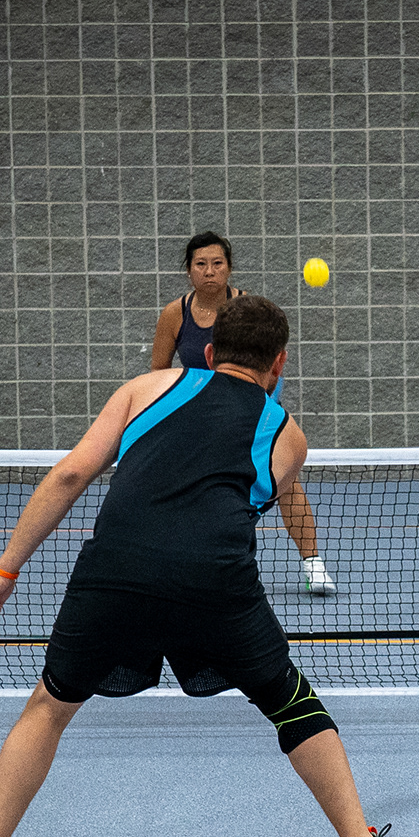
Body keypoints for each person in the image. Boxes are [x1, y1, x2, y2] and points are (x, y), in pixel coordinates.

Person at [0, 294, 416, 837]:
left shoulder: (144, 389)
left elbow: (69, 476)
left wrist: (4, 572)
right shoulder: (288, 435)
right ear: (280, 363)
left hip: (114, 574)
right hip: (215, 583)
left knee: (49, 708)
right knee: (292, 705)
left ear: (211, 351)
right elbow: (241, 505)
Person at [150, 230, 335, 595]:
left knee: (287, 480)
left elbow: (271, 366)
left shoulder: (249, 309)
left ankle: (314, 565)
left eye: (217, 263)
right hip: (196, 414)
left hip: (250, 408)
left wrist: (254, 405)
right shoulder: (174, 314)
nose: (209, 271)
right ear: (189, 270)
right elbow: (158, 372)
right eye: (200, 264)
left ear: (229, 268)